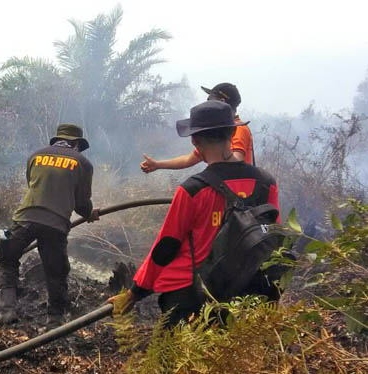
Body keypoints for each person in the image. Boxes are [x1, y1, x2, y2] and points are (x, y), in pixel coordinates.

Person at [109, 101, 279, 328]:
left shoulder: (193, 190)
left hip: (193, 296)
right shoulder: (266, 183)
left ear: (195, 141)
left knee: (170, 360)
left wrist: (134, 293)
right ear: (232, 133)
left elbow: (166, 246)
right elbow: (274, 238)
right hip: (248, 294)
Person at [0, 124, 99, 329]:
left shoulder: (36, 156)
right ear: (76, 143)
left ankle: (7, 312)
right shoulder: (83, 163)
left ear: (58, 139)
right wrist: (89, 214)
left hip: (25, 218)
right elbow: (82, 202)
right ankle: (55, 321)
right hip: (56, 225)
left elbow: (33, 186)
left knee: (7, 259)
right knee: (56, 271)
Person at [140, 83, 254, 173]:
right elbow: (188, 160)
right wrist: (158, 164)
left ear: (222, 102)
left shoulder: (238, 129)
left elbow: (237, 162)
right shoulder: (217, 130)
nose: (207, 103)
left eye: (210, 100)